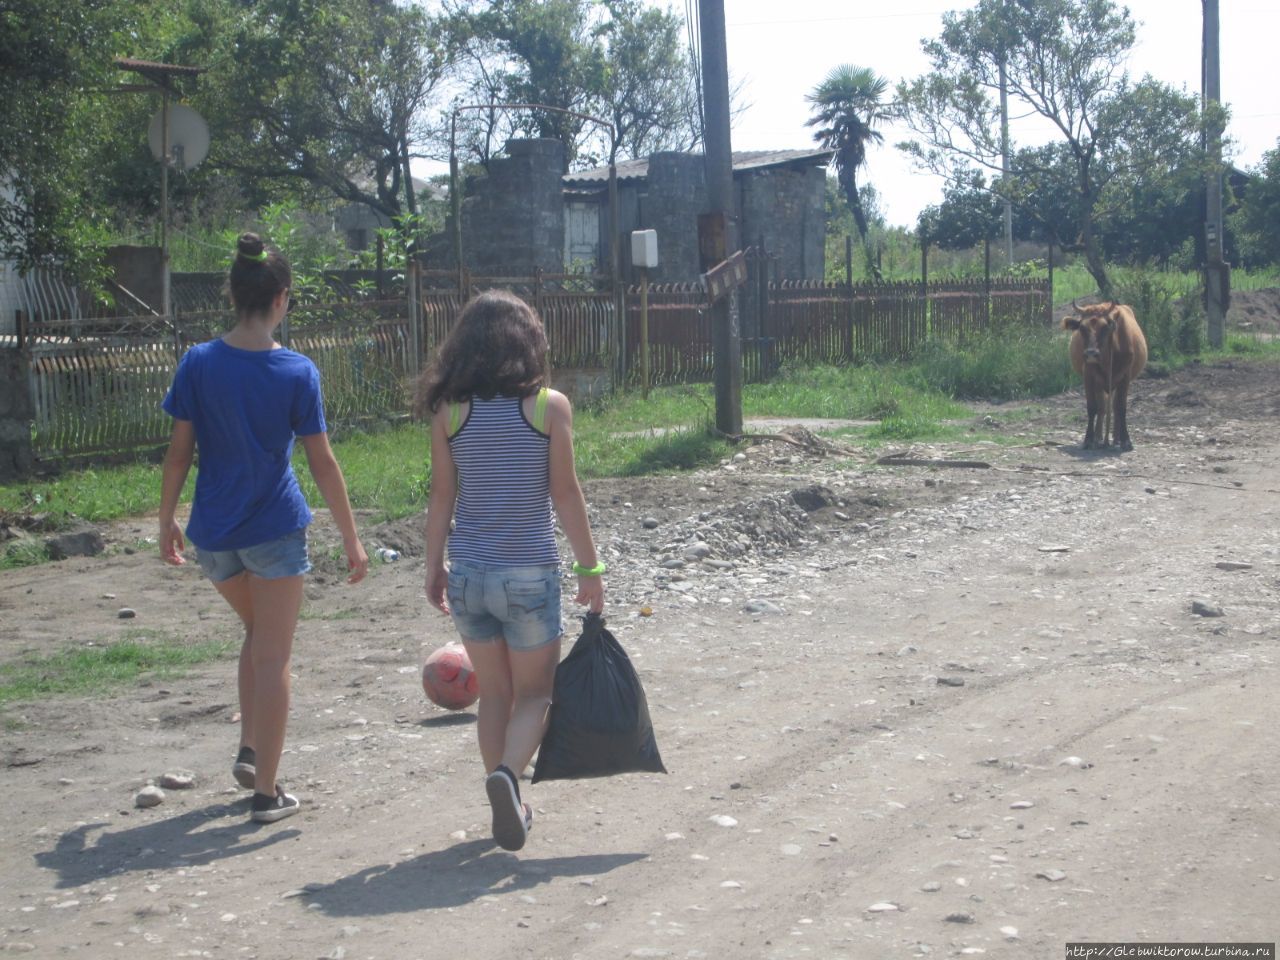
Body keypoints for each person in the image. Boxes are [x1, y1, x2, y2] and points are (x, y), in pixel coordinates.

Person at [158, 232, 369, 824]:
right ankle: (267, 794)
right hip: (274, 530)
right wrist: (351, 537)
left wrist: (165, 518)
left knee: (256, 631)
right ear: (281, 298)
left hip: (213, 536)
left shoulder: (197, 362)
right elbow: (322, 462)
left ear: (233, 294)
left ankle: (251, 750)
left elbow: (178, 454)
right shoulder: (296, 371)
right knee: (274, 653)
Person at [420, 289, 605, 852]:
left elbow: (441, 497)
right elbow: (565, 492)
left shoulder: (450, 413)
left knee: (494, 695)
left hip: (470, 575)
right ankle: (508, 778)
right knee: (536, 696)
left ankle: (508, 800)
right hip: (528, 574)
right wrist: (588, 566)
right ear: (530, 343)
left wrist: (434, 566)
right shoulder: (550, 407)